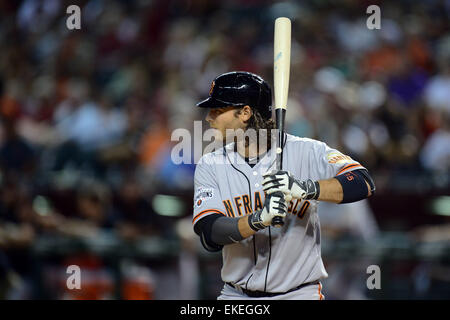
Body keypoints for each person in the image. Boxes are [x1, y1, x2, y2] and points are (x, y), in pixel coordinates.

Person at [192, 71, 375, 300]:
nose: (209, 117)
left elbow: (363, 181)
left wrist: (306, 188)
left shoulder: (307, 151)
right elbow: (210, 232)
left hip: (298, 294)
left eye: (218, 110)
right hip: (236, 296)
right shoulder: (210, 164)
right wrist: (257, 220)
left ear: (245, 113)